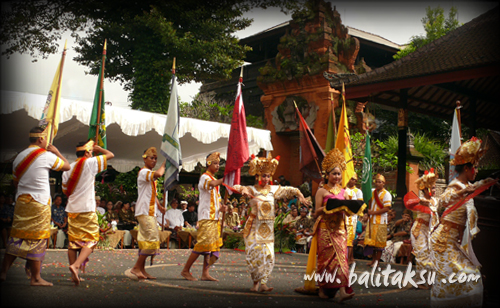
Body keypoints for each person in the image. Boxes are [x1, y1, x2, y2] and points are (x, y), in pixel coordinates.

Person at [429, 137, 496, 307]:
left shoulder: (466, 185)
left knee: (469, 278)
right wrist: (464, 191)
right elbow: (443, 200)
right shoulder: (456, 186)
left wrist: (488, 182)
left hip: (453, 242)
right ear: (467, 168)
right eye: (475, 167)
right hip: (443, 241)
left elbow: (476, 187)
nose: (476, 171)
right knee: (461, 279)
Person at [0, 126, 70, 286]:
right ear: (40, 139)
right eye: (46, 139)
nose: (47, 142)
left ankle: (3, 271)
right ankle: (36, 278)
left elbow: (16, 181)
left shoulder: (19, 157)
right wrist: (56, 151)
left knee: (17, 237)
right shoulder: (45, 155)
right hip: (39, 203)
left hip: (22, 202)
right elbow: (67, 166)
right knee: (38, 239)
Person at [233, 153, 310, 292]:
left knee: (268, 255)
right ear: (257, 176)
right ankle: (255, 283)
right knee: (254, 254)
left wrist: (299, 195)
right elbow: (237, 187)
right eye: (264, 176)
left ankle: (263, 283)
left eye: (268, 176)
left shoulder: (273, 190)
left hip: (268, 229)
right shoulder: (252, 189)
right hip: (254, 227)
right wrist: (243, 190)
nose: (267, 179)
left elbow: (289, 190)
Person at [295, 148, 363, 302]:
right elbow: (315, 212)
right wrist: (327, 208)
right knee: (325, 262)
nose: (337, 177)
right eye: (334, 174)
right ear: (327, 175)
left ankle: (343, 291)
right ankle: (323, 289)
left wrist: (350, 209)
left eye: (339, 174)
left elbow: (347, 212)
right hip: (325, 230)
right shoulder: (321, 191)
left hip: (340, 230)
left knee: (341, 260)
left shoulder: (344, 192)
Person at [62, 140, 114, 285]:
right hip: (86, 208)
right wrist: (100, 149)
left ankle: (75, 273)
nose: (92, 153)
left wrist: (94, 151)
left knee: (73, 242)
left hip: (72, 209)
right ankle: (76, 265)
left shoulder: (68, 167)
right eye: (90, 151)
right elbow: (110, 155)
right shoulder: (89, 163)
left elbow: (64, 190)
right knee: (93, 238)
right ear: (86, 152)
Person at [181, 152, 227, 282]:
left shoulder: (213, 180)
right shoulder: (205, 178)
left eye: (219, 163)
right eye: (215, 163)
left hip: (214, 216)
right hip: (206, 216)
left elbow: (217, 200)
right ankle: (185, 270)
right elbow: (211, 185)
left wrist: (222, 208)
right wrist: (225, 180)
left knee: (210, 246)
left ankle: (205, 273)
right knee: (202, 244)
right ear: (208, 163)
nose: (217, 166)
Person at [130, 147, 166, 280]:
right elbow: (158, 175)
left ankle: (142, 269)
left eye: (156, 159)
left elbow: (152, 194)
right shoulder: (144, 172)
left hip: (149, 211)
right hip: (145, 211)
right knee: (152, 241)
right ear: (144, 158)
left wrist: (159, 206)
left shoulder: (148, 173)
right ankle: (136, 268)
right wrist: (164, 165)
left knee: (147, 241)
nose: (154, 160)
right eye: (152, 158)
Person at [404, 168, 439, 289]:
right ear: (426, 188)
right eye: (433, 188)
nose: (435, 190)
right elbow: (409, 204)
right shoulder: (420, 200)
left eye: (435, 187)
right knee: (422, 255)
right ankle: (420, 281)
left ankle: (428, 281)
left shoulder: (435, 201)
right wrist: (420, 201)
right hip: (419, 230)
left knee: (431, 256)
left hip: (431, 231)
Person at [364, 174, 392, 268]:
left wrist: (373, 212)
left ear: (384, 183)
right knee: (373, 242)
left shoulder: (387, 194)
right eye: (376, 181)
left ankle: (377, 262)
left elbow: (386, 208)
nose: (378, 183)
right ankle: (373, 261)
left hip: (381, 222)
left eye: (380, 182)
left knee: (379, 243)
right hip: (372, 221)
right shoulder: (372, 192)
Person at [344, 173, 363, 265]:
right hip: (344, 217)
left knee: (350, 238)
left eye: (353, 179)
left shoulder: (357, 191)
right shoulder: (344, 190)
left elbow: (359, 204)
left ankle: (348, 259)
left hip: (352, 217)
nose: (351, 180)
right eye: (350, 178)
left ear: (356, 181)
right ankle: (349, 258)